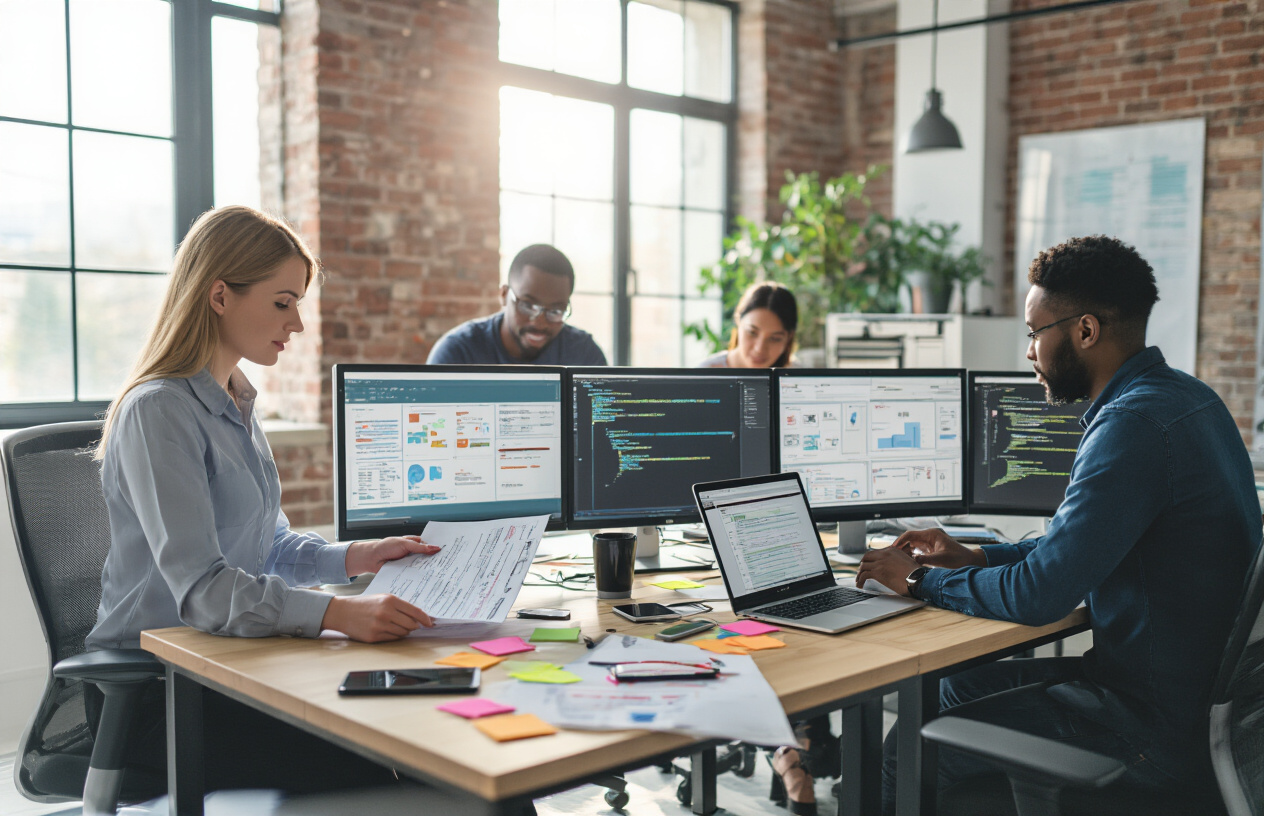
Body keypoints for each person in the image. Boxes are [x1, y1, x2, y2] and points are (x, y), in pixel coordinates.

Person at [855, 235, 1262, 812]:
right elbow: (1075, 549)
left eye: (1034, 333)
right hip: (1192, 703)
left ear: (1085, 331)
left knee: (903, 749)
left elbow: (1041, 595)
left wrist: (918, 581)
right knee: (956, 685)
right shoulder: (1190, 399)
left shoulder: (1133, 426)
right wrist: (975, 558)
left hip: (1148, 728)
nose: (1029, 353)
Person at [88, 205, 442, 794]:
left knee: (422, 727)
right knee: (400, 760)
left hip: (233, 662)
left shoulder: (236, 401)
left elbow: (269, 545)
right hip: (159, 694)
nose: (298, 323)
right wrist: (337, 614)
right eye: (283, 302)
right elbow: (203, 591)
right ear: (220, 295)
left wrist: (360, 556)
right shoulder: (159, 411)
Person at [427, 244, 607, 365]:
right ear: (504, 295)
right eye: (528, 305)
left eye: (555, 310)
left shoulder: (584, 355)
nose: (540, 322)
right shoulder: (458, 353)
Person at [697, 281, 798, 368]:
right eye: (752, 332)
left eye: (775, 338)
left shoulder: (800, 378)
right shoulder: (704, 375)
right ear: (738, 321)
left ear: (789, 337)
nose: (759, 349)